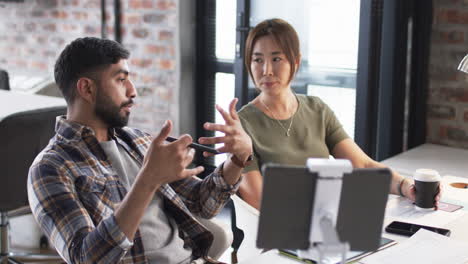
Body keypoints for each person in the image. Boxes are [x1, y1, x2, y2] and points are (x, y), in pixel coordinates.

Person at [27, 37, 252, 264]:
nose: (132, 91)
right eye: (121, 79)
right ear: (87, 88)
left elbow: (203, 204)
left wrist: (238, 159)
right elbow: (87, 258)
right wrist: (147, 181)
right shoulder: (49, 169)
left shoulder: (137, 141)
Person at [236, 18, 440, 210]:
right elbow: (257, 200)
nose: (267, 70)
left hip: (325, 221)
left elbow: (362, 164)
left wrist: (405, 186)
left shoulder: (317, 109)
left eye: (277, 58)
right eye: (257, 60)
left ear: (295, 62)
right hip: (276, 233)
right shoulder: (242, 124)